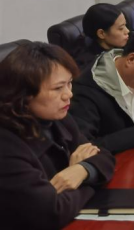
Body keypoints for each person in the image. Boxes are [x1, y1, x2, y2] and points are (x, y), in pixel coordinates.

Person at [0, 43, 115, 230]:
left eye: (69, 83)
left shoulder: (58, 118)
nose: (69, 94)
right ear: (24, 95)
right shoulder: (6, 145)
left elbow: (103, 156)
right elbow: (50, 212)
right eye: (58, 88)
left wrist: (81, 170)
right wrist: (91, 183)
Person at [74, 3, 130, 72]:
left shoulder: (121, 43)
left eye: (125, 25)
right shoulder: (92, 67)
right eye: (121, 28)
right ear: (101, 34)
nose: (127, 31)